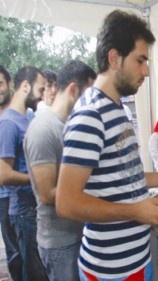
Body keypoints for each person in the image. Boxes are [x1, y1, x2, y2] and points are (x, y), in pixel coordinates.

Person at [55, 10, 158, 281]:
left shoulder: (117, 110)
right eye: (140, 60)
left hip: (136, 262)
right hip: (109, 272)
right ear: (114, 58)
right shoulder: (90, 114)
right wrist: (134, 211)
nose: (147, 70)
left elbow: (121, 176)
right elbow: (66, 202)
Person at [23, 60, 96, 281]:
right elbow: (46, 193)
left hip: (79, 231)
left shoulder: (70, 124)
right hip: (60, 242)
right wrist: (94, 191)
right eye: (89, 94)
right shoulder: (43, 130)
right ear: (73, 90)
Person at [0, 66, 48, 281]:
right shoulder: (9, 123)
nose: (41, 94)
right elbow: (4, 174)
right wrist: (38, 179)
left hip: (32, 207)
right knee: (32, 272)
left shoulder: (25, 119)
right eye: (40, 88)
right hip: (23, 210)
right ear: (25, 86)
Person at [0, 65, 23, 281]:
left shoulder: (21, 115)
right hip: (3, 196)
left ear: (9, 85)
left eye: (0, 83)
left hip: (20, 196)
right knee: (14, 252)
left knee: (26, 251)